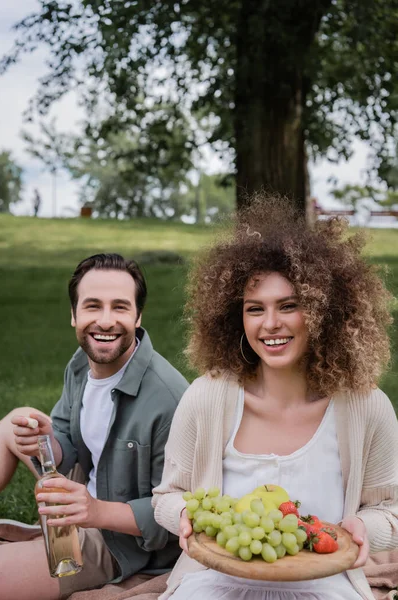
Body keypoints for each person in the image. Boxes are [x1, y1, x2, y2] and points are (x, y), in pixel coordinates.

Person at [152, 194, 398, 600]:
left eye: (289, 306)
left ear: (325, 312)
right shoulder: (206, 397)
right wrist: (184, 514)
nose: (270, 324)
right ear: (236, 317)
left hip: (322, 584)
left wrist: (362, 528)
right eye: (254, 309)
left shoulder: (366, 407)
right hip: (213, 583)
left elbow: (389, 508)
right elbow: (167, 496)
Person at [0, 253, 188, 600]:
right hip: (81, 501)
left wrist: (94, 510)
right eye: (92, 306)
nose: (104, 321)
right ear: (74, 316)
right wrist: (44, 440)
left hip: (122, 541)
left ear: (137, 315)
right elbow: (68, 441)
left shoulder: (170, 400)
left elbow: (177, 514)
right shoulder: (80, 367)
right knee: (11, 423)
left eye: (119, 307)